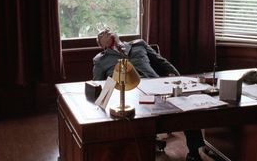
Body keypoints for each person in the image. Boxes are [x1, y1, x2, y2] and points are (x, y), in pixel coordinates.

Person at [92, 28, 214, 161]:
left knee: (187, 108)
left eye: (108, 30)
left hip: (156, 85)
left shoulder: (138, 44)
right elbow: (98, 84)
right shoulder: (100, 60)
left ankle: (194, 152)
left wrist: (179, 78)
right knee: (140, 117)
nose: (107, 31)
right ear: (102, 45)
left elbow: (161, 61)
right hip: (129, 94)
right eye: (102, 33)